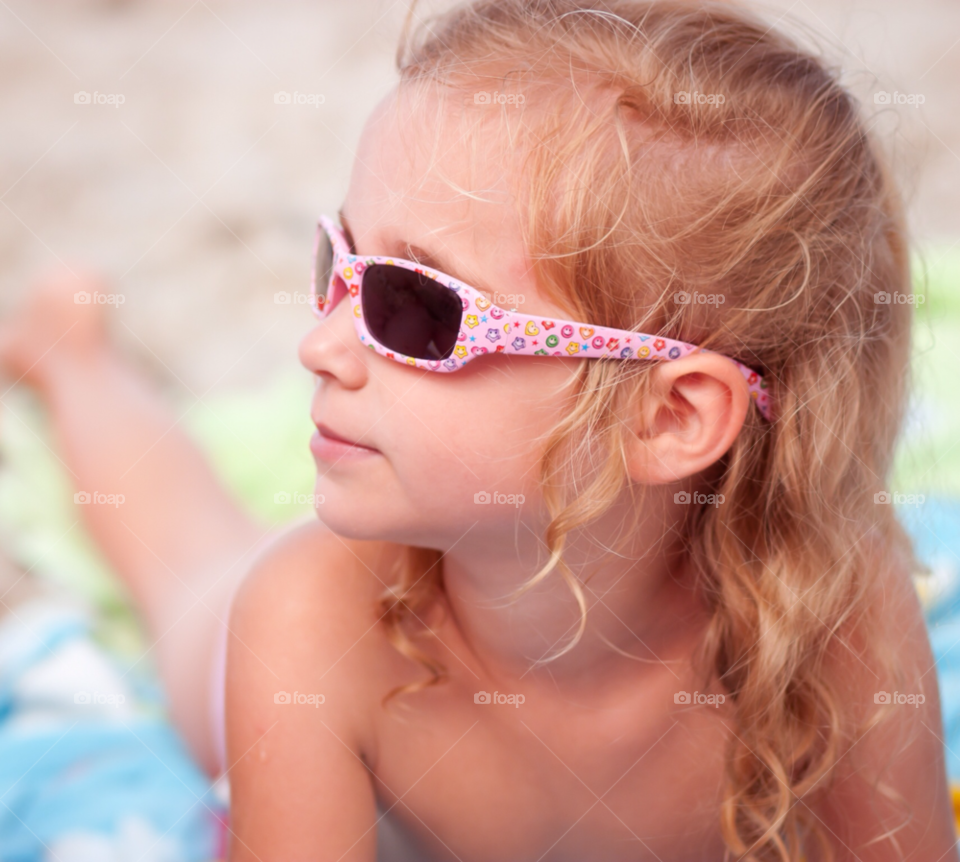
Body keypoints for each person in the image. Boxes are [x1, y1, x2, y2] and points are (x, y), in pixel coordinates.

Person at [1, 1, 956, 859]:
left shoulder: (830, 602)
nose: (320, 344)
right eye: (338, 260)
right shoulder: (311, 626)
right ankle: (73, 356)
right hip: (276, 654)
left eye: (413, 305)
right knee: (193, 576)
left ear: (667, 415)